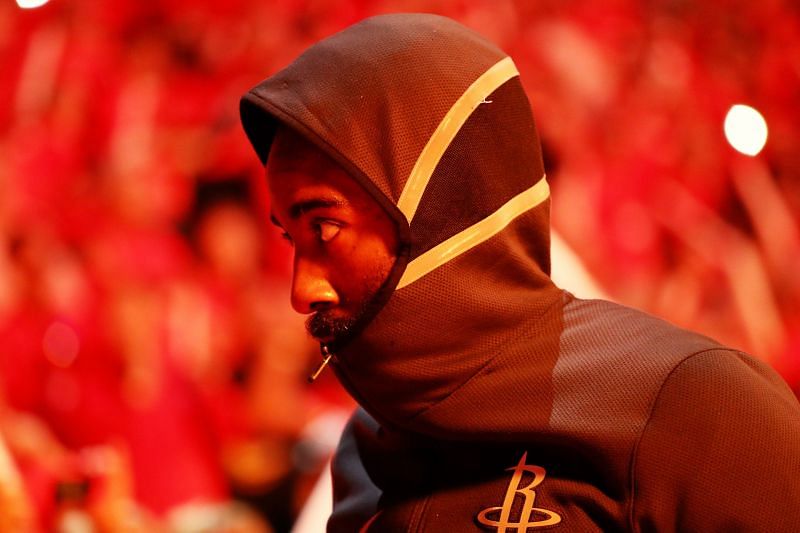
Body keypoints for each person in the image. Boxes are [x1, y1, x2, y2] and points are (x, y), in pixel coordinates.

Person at [240, 13, 800, 532]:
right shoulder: (364, 449)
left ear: (439, 209)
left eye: (325, 229)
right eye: (291, 239)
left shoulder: (699, 407)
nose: (301, 290)